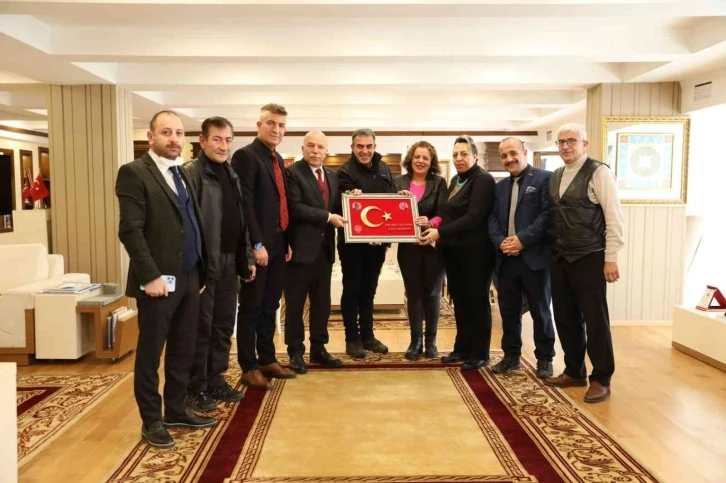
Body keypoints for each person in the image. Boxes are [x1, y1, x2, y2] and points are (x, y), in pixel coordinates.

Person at [116, 110, 216, 449]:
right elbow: (130, 230)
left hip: (190, 278)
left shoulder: (182, 172)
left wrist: (200, 271)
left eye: (178, 133)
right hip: (157, 283)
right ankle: (152, 421)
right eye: (166, 132)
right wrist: (151, 275)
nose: (174, 139)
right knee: (150, 353)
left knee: (183, 348)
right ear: (151, 137)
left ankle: (175, 410)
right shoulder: (134, 173)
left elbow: (191, 222)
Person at [543, 123, 624, 403]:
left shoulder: (599, 172)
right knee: (565, 317)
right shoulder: (556, 175)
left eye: (571, 141)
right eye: (561, 142)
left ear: (584, 144)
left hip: (590, 257)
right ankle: (574, 371)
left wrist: (611, 258)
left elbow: (614, 217)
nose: (565, 146)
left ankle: (601, 378)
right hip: (559, 257)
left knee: (595, 319)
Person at [181, 117, 256, 412]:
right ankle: (195, 388)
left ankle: (215, 379)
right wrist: (194, 268)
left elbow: (241, 221)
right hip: (205, 264)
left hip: (230, 262)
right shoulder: (192, 173)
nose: (223, 146)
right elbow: (186, 225)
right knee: (201, 328)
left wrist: (246, 258)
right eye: (217, 139)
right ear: (202, 141)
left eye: (228, 140)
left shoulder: (231, 172)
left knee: (224, 325)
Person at [231, 103, 296, 391]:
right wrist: (256, 244)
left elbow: (281, 201)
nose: (276, 129)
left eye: (281, 125)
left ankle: (267, 358)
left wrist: (287, 241)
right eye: (271, 123)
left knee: (271, 304)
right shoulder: (245, 156)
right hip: (259, 244)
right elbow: (244, 205)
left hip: (279, 242)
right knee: (252, 306)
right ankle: (249, 366)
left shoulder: (277, 158)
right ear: (259, 125)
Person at [420, 135, 496, 370]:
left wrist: (439, 233)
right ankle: (462, 348)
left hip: (476, 253)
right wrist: (433, 225)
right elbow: (447, 213)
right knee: (460, 303)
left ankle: (480, 353)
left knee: (477, 302)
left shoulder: (483, 180)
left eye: (464, 154)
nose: (459, 158)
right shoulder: (456, 180)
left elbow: (473, 217)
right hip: (454, 252)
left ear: (475, 156)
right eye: (455, 155)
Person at [487, 137, 555, 378]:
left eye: (513, 153)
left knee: (540, 311)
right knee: (509, 312)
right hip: (506, 260)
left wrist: (522, 240)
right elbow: (492, 219)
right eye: (504, 156)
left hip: (534, 259)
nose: (509, 159)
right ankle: (511, 357)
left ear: (525, 152)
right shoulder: (500, 187)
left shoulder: (545, 179)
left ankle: (545, 359)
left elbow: (547, 216)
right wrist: (501, 242)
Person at [283, 131, 346, 373]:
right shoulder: (292, 173)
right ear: (303, 148)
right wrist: (329, 217)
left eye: (320, 147)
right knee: (296, 305)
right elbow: (296, 207)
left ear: (326, 151)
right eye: (311, 145)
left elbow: (337, 207)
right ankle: (295, 352)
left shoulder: (332, 176)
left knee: (322, 304)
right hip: (299, 251)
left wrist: (353, 200)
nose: (315, 151)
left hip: (325, 251)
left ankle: (319, 349)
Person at [336, 128, 396, 358]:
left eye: (369, 146)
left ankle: (368, 337)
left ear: (374, 146)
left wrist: (400, 197)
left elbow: (389, 202)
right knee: (352, 289)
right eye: (359, 146)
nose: (364, 151)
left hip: (378, 243)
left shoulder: (384, 168)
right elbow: (340, 206)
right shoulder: (344, 172)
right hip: (353, 244)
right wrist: (350, 197)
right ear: (352, 148)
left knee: (369, 290)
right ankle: (352, 339)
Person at [394, 141, 447, 360]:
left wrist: (431, 223)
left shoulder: (439, 182)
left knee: (432, 293)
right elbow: (390, 212)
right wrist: (399, 201)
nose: (420, 161)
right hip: (408, 248)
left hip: (434, 247)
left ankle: (431, 341)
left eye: (425, 157)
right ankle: (415, 341)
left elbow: (444, 211)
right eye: (417, 157)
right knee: (413, 293)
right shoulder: (398, 182)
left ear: (431, 161)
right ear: (410, 159)